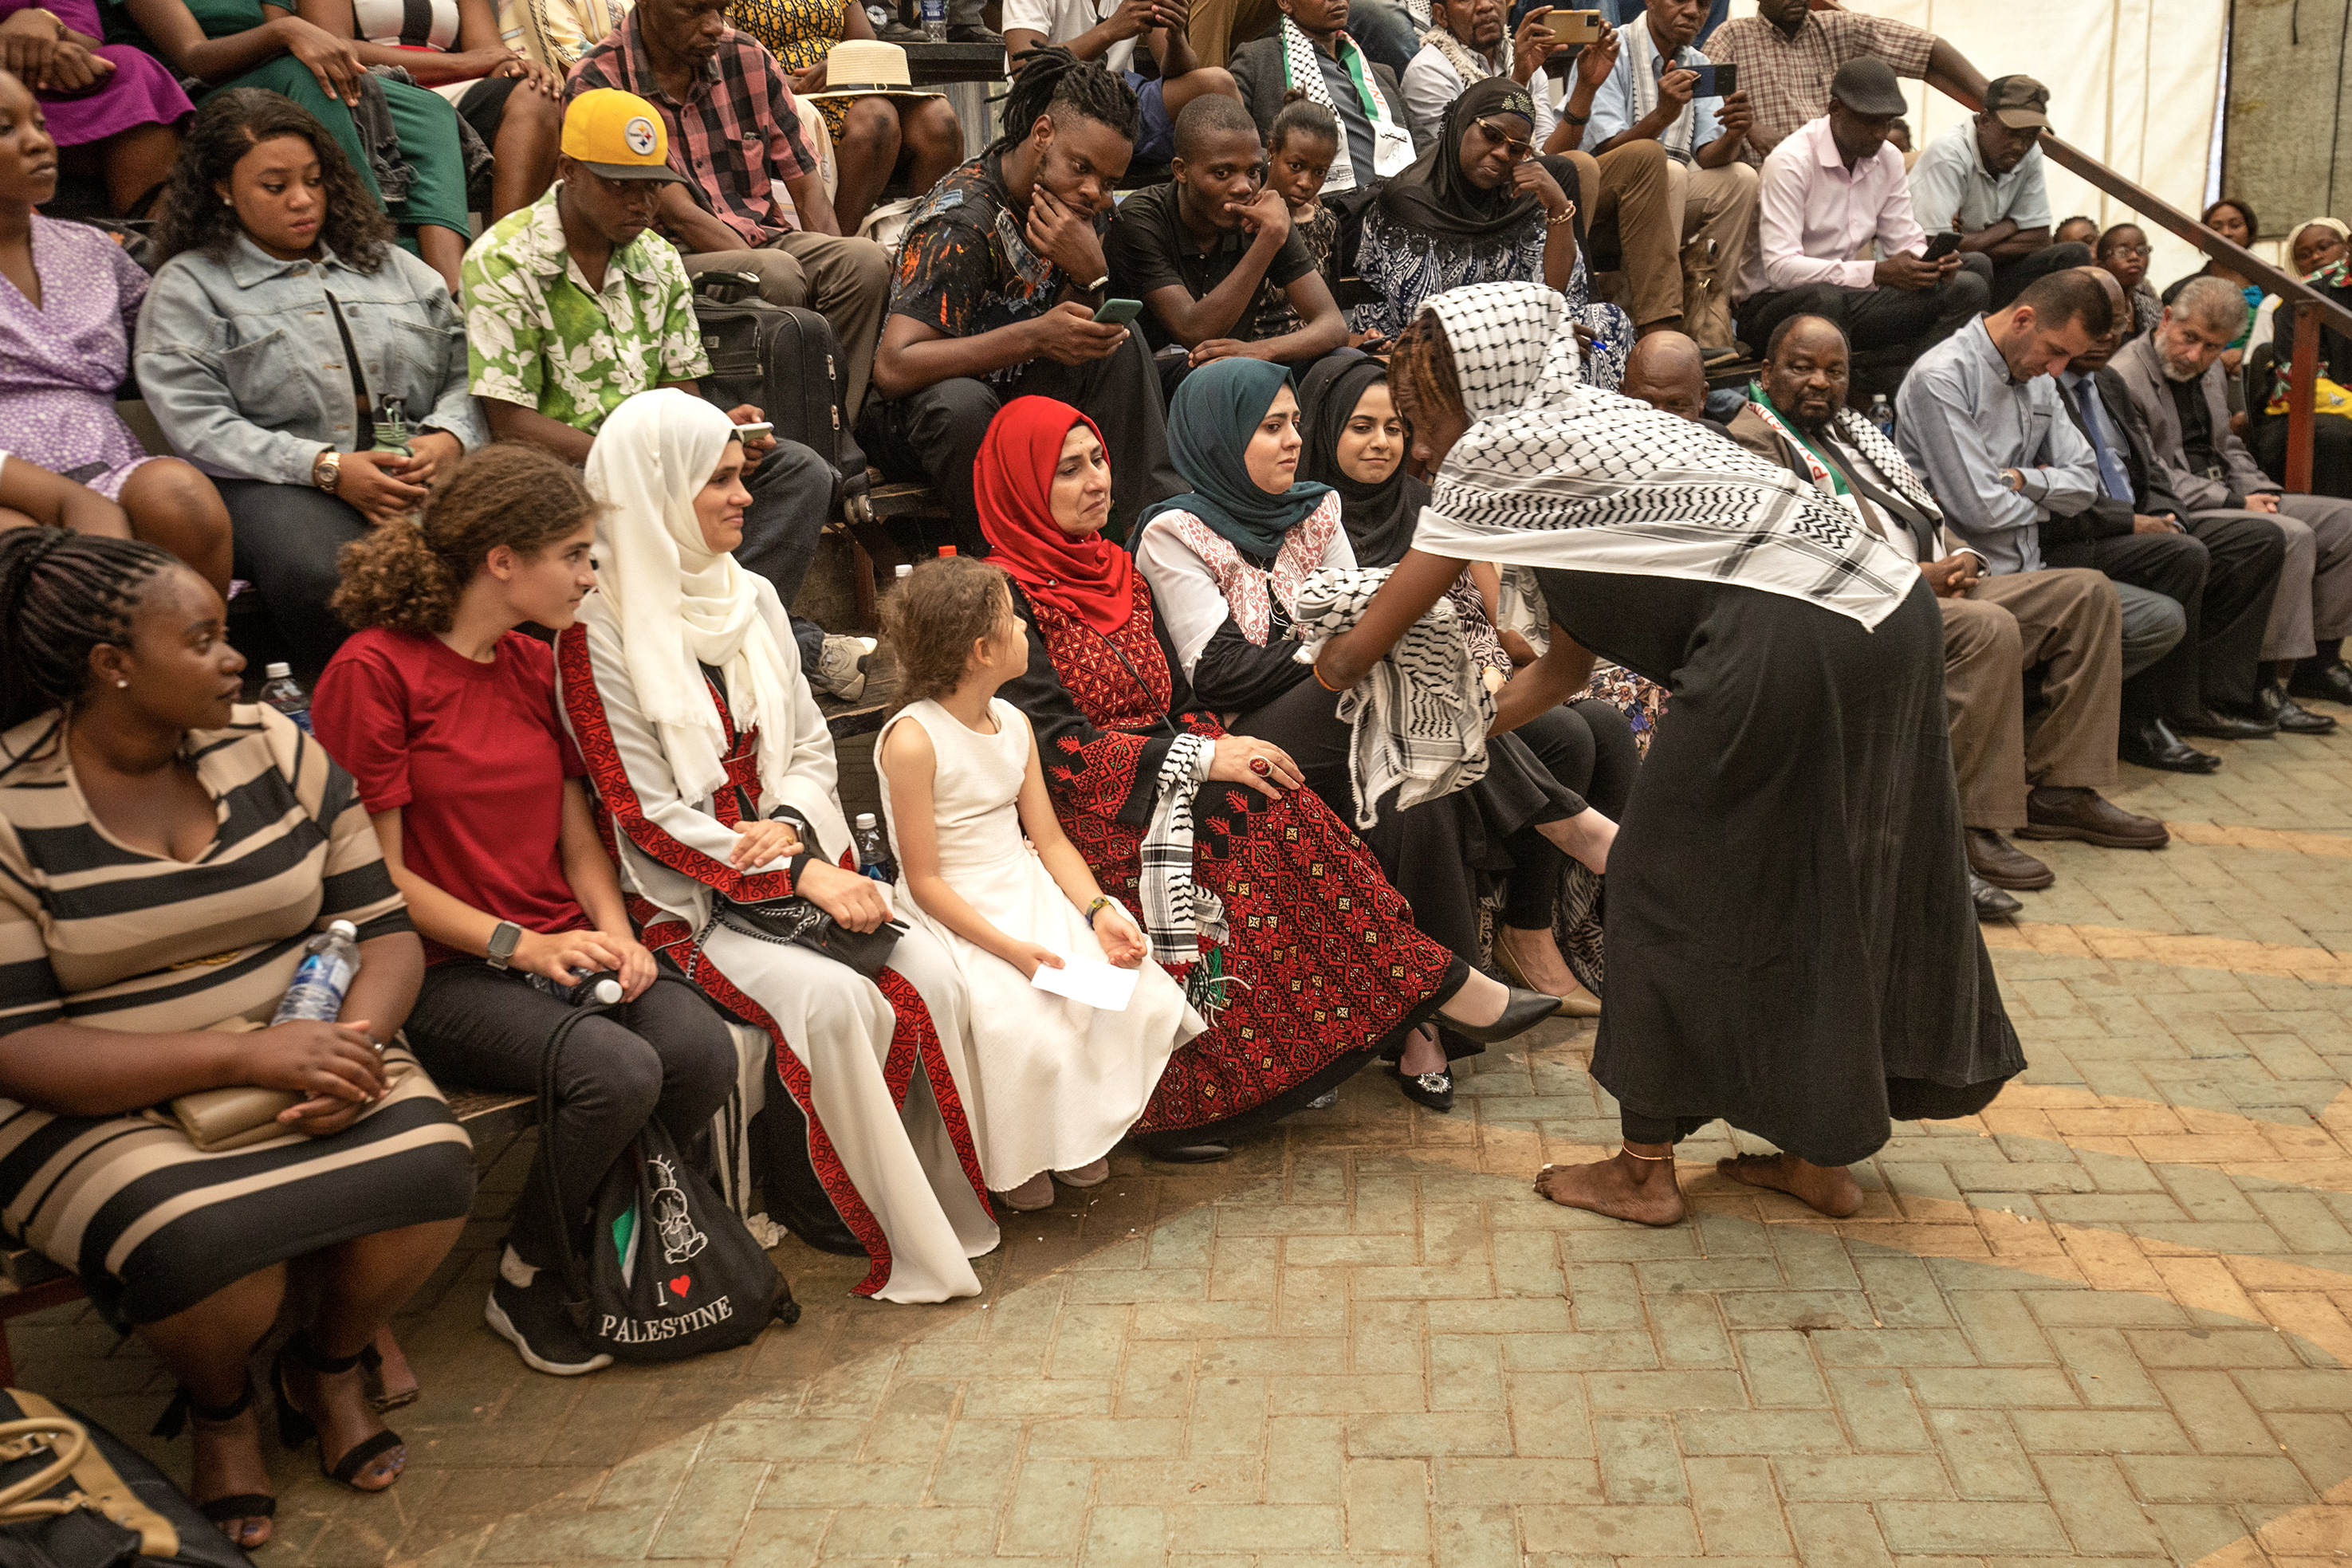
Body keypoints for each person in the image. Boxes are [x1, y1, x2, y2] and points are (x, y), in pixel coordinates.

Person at [1312, 279, 2019, 1224]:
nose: (1417, 442)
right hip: (1888, 618)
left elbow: (1367, 639)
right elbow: (1563, 670)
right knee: (1828, 874)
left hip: (1785, 638)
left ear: (1470, 387)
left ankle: (1644, 1167)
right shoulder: (1592, 434)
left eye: (1417, 413)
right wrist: (1450, 744)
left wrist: (1324, 677)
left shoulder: (1499, 448)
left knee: (1658, 879)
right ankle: (1822, 1151)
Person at [0, 525, 474, 1547]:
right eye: (204, 638)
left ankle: (328, 1363)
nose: (234, 659)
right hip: (89, 1086)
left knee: (430, 1169)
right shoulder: (10, 803)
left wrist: (354, 1045)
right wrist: (247, 1055)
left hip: (312, 1039)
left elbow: (383, 929)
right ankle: (223, 1408)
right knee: (210, 1242)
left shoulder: (272, 743)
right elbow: (19, 1041)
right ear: (111, 666)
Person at [973, 396, 1505, 1152]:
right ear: (1022, 486)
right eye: (1067, 470)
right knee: (1252, 806)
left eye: (1098, 459)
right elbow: (1057, 751)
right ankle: (1426, 988)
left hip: (1165, 771)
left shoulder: (1119, 572)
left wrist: (1215, 748)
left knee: (1273, 785)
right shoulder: (1005, 596)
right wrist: (1200, 758)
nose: (1095, 480)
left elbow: (1182, 702)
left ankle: (1400, 997)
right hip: (1087, 808)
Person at [311, 446, 741, 1378]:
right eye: (577, 556)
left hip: (558, 940)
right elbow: (374, 879)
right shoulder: (373, 671)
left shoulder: (526, 659)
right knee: (618, 1071)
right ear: (502, 560)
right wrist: (525, 944)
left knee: (701, 1048)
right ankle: (528, 1269)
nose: (591, 577)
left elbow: (575, 834)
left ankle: (594, 1232)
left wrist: (618, 938)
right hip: (438, 965)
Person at [557, 390, 997, 1301]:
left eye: (740, 475)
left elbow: (801, 744)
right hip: (685, 898)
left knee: (931, 968)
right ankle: (828, 1196)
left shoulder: (750, 594)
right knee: (837, 1000)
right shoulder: (595, 628)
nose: (743, 497)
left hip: (784, 859)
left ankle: (918, 1190)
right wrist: (792, 865)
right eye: (716, 479)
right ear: (654, 489)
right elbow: (642, 812)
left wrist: (792, 827)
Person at [1130, 356, 1587, 1110]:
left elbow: (1365, 620)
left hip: (1340, 717)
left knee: (1413, 782)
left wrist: (1355, 645)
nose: (1291, 441)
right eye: (1270, 427)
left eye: (1294, 424)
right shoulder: (1175, 531)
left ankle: (1425, 1028)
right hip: (1244, 734)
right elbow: (1222, 672)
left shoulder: (1318, 508)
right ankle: (1564, 820)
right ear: (1221, 435)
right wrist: (1339, 649)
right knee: (1380, 674)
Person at [1728, 314, 2161, 906]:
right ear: (1767, 371)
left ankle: (2062, 792)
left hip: (1935, 582)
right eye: (1802, 367)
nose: (1819, 382)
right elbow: (1799, 551)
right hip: (1862, 605)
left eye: (1834, 370)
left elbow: (1924, 509)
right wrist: (1913, 577)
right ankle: (1962, 828)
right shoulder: (1752, 441)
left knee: (2086, 594)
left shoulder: (1852, 429)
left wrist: (1964, 558)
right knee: (1988, 627)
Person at [459, 89, 871, 699]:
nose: (641, 202)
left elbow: (681, 395)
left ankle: (713, 648)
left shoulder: (655, 257)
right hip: (559, 475)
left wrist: (716, 433)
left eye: (651, 186)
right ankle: (773, 645)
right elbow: (509, 420)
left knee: (800, 472)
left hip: (657, 467)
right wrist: (636, 458)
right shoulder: (503, 259)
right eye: (619, 184)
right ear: (568, 171)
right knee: (642, 508)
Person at [1299, 352, 1630, 1013]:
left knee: (1605, 727)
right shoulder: (1316, 520)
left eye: (1394, 427)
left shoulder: (1428, 502)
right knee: (1564, 733)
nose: (1384, 443)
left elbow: (1506, 614)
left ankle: (1582, 931)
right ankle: (1530, 929)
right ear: (1324, 429)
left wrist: (1511, 652)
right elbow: (1342, 653)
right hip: (1393, 687)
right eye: (1362, 426)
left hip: (1474, 667)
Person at [875, 558, 1199, 1208]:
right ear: (981, 650)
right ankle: (1017, 1152)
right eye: (1012, 619)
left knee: (1112, 990)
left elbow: (1048, 839)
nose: (1026, 626)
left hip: (1021, 884)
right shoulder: (914, 741)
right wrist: (1011, 950)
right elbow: (925, 877)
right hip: (957, 909)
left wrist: (1099, 910)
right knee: (1016, 1017)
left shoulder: (1015, 723)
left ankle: (1071, 1135)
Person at [135, 89, 485, 674]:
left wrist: (449, 436)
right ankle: (370, 712)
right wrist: (325, 467)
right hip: (275, 480)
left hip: (416, 458)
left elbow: (469, 365)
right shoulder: (190, 286)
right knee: (329, 572)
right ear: (223, 188)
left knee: (513, 536)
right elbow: (198, 422)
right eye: (275, 187)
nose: (303, 201)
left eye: (314, 180)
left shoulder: (391, 264)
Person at [1900, 268, 2278, 775]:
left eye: (2068, 357)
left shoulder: (2039, 377)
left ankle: (2056, 762)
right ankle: (2046, 764)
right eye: (2055, 351)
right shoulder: (1943, 377)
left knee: (2161, 617)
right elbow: (1979, 511)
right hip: (1975, 573)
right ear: (2024, 320)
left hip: (2033, 564)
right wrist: (2045, 492)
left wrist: (2019, 481)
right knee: (2109, 605)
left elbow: (2085, 483)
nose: (2058, 369)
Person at [863, 53, 1181, 558]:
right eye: (1083, 168)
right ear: (1043, 133)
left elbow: (1071, 329)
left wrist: (1088, 273)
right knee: (962, 404)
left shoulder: (1079, 207)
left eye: (1110, 182)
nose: (1094, 191)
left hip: (1018, 398)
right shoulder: (963, 220)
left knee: (1117, 345)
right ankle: (1009, 570)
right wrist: (1033, 337)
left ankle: (1164, 545)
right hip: (928, 416)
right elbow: (895, 367)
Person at [569, 0, 894, 421]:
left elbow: (809, 192)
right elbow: (680, 214)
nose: (713, 26)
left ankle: (835, 429)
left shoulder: (747, 57)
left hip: (765, 237)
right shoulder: (600, 79)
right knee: (774, 273)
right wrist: (761, 263)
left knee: (864, 263)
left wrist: (828, 262)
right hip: (664, 256)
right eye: (695, 12)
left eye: (720, 10)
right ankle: (777, 441)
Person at [0, 71, 230, 591]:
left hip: (103, 461)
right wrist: (62, 498)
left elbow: (179, 337)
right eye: (4, 128)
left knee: (180, 496)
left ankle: (202, 656)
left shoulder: (92, 249)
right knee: (27, 557)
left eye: (39, 122)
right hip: (6, 483)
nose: (39, 140)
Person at [2110, 276, 2352, 725]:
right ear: (2166, 319)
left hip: (2233, 491)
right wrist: (2239, 503)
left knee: (2345, 521)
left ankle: (2319, 663)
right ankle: (2259, 684)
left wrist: (2263, 492)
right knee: (2291, 535)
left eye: (2211, 346)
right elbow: (2152, 475)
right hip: (2186, 504)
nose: (2195, 356)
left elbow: (2230, 447)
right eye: (2189, 339)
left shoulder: (2211, 369)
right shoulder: (2126, 375)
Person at [113, 0, 474, 289]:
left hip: (280, 73)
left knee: (429, 109)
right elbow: (194, 56)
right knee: (314, 78)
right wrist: (286, 30)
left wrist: (289, 34)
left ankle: (451, 287)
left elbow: (291, 39)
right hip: (194, 93)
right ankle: (363, 244)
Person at [1351, 77, 1632, 390]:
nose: (1501, 153)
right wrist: (1532, 334)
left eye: (1517, 149)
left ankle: (1576, 429)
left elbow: (1559, 295)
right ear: (1462, 123)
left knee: (1604, 324)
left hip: (1521, 338)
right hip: (1424, 353)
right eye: (1491, 135)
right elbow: (1425, 324)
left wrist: (1557, 207)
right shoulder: (1411, 200)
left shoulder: (1523, 192)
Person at [1736, 57, 1989, 376]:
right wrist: (1877, 273)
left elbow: (1903, 239)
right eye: (1870, 122)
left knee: (1973, 273)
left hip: (1844, 295)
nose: (1880, 133)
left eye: (1886, 122)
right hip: (1772, 308)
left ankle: (1913, 384)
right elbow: (1780, 270)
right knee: (1824, 298)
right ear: (1835, 109)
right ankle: (1868, 379)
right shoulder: (1790, 162)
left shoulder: (1888, 158)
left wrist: (1930, 263)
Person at [1104, 94, 1347, 390]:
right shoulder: (1142, 218)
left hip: (1233, 369)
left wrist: (1261, 350)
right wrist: (1268, 241)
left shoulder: (1264, 212)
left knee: (1342, 363)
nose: (1243, 187)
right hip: (1145, 379)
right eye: (1223, 173)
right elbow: (1193, 331)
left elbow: (1332, 324)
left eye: (1253, 172)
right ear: (1180, 170)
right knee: (1217, 372)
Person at [1573, 0, 1758, 351]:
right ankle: (1650, 321)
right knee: (1667, 168)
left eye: (1704, 4)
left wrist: (1735, 133)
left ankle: (1706, 315)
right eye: (1680, 0)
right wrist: (1661, 115)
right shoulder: (1613, 48)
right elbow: (1604, 151)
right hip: (1604, 195)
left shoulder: (1698, 62)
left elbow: (1708, 155)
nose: (1693, 12)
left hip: (1669, 190)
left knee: (1741, 178)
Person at [307, 0, 564, 222]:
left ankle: (505, 250)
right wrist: (460, 64)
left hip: (455, 86)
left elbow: (491, 55)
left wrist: (519, 68)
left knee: (538, 94)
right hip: (378, 88)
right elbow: (334, 47)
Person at [726, 15, 962, 234]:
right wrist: (780, 79)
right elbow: (727, 52)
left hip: (853, 83)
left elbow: (867, 41)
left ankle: (925, 248)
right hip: (786, 94)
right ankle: (840, 251)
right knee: (877, 119)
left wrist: (842, 65)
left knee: (940, 121)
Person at [1701, 0, 1989, 168]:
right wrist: (1751, 127)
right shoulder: (1732, 35)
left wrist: (1992, 95)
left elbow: (1925, 49)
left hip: (1846, 170)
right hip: (1776, 172)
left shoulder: (1836, 27)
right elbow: (1701, 97)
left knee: (1941, 159)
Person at [1904, 76, 2091, 310]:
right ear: (1985, 121)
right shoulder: (1948, 153)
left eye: (2030, 135)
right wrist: (2011, 226)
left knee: (2074, 255)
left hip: (1991, 267)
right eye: (2012, 133)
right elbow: (1937, 252)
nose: (2020, 146)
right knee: (1978, 265)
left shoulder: (2030, 152)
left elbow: (2040, 238)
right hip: (1933, 277)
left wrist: (1972, 240)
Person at [0, 0, 187, 214]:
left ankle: (148, 233)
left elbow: (89, 42)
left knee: (128, 66)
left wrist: (46, 25)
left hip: (39, 82)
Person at [1003, 0, 1237, 168]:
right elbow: (1025, 66)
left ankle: (1242, 199)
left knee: (1218, 84)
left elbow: (1178, 69)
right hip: (1046, 105)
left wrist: (1175, 36)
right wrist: (1111, 30)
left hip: (1119, 106)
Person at [1226, 0, 1410, 197]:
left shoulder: (1382, 75)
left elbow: (1424, 145)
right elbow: (1236, 145)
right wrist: (1292, 173)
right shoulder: (1257, 59)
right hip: (1322, 204)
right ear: (1286, 3)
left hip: (1401, 199)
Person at [2253, 222, 2352, 504]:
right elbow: (2305, 384)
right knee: (2337, 436)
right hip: (2300, 416)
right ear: (2350, 245)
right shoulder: (2304, 296)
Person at [1398, 0, 1563, 150]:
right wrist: (1519, 79)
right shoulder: (1427, 72)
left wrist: (1585, 85)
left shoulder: (1518, 56)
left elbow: (1547, 153)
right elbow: (1468, 161)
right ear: (1441, 16)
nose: (1485, 6)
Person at [1251, 96, 1342, 341]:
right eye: (1295, 166)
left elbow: (1331, 312)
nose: (1306, 183)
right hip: (1252, 350)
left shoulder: (1326, 223)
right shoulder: (1246, 217)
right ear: (1272, 151)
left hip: (1312, 348)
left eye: (1319, 172)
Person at [2095, 222, 2162, 338]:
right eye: (2123, 252)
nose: (2134, 257)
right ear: (2101, 265)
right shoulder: (2092, 307)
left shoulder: (2151, 307)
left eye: (2142, 250)